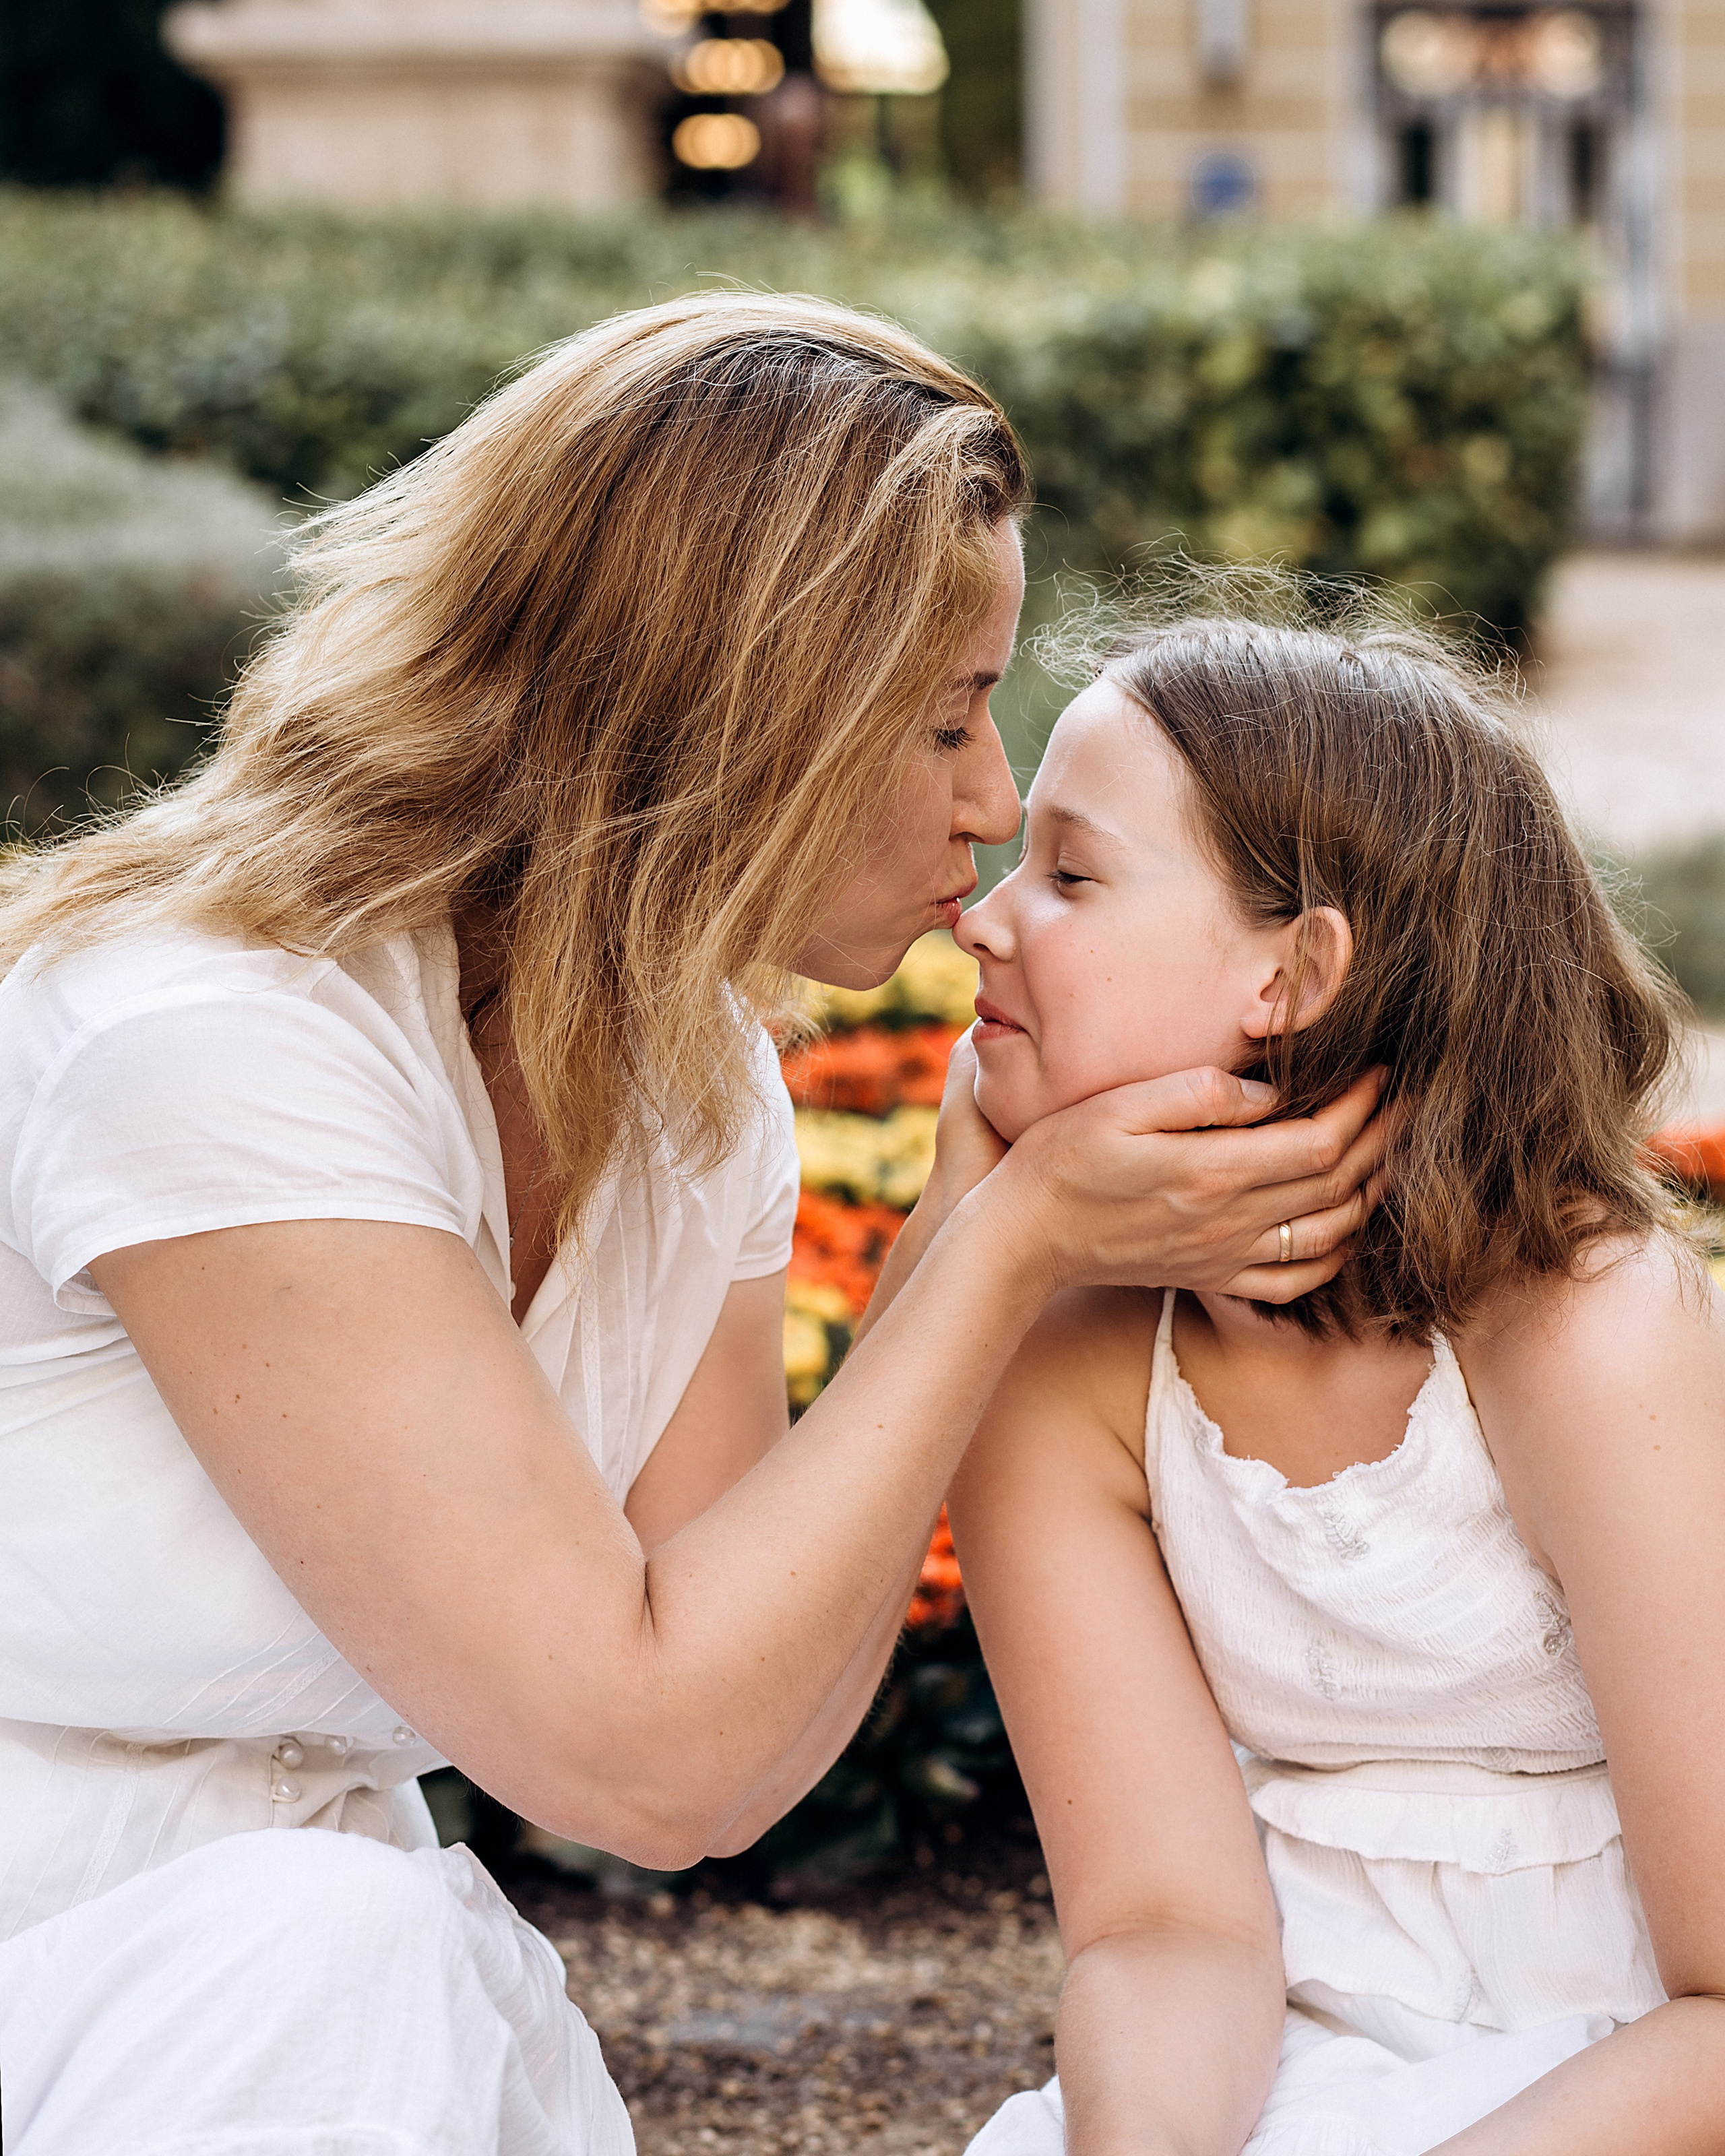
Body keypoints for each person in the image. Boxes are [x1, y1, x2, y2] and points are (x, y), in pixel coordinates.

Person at [0, 297, 1381, 2154]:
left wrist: (982, 1182)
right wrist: (1015, 1247)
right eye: (951, 720)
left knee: (345, 1959)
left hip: (318, 1965)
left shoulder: (691, 1092)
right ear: (742, 710)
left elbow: (730, 1759)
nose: (990, 803)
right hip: (94, 1958)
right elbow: (620, 1747)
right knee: (327, 1965)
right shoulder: (215, 1042)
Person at [950, 599, 1725, 2156]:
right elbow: (1166, 1926)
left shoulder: (1579, 1328)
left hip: (1633, 2069)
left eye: (1072, 873)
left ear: (1293, 973)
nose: (981, 919)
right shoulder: (1063, 1345)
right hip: (1283, 2051)